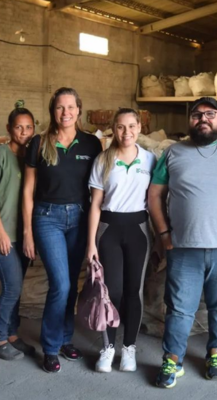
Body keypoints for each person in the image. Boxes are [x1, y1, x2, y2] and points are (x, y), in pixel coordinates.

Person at [148, 97, 217, 388]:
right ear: (190, 121)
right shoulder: (173, 153)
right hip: (184, 248)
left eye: (210, 114)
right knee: (178, 308)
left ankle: (216, 355)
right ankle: (172, 360)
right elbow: (154, 196)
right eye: (197, 115)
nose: (203, 119)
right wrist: (163, 234)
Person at [22, 87, 102, 373]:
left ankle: (66, 338)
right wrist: (28, 232)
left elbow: (99, 187)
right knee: (61, 284)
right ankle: (51, 346)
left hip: (79, 219)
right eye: (59, 107)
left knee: (71, 284)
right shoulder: (39, 143)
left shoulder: (92, 144)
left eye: (70, 107)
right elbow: (28, 189)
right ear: (52, 111)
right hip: (47, 218)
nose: (65, 112)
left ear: (79, 110)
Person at [86, 108, 156, 373]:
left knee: (133, 292)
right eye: (120, 127)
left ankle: (129, 348)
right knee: (111, 292)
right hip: (109, 229)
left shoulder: (150, 159)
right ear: (113, 130)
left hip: (138, 229)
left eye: (131, 126)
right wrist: (91, 242)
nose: (126, 132)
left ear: (139, 127)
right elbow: (95, 204)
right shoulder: (103, 160)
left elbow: (156, 199)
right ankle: (107, 348)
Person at [0, 108, 36, 360]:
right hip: (3, 236)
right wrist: (0, 232)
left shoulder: (33, 158)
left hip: (23, 236)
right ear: (9, 129)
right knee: (12, 287)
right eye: (18, 127)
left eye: (28, 127)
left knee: (16, 288)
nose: (24, 132)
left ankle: (13, 335)